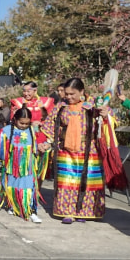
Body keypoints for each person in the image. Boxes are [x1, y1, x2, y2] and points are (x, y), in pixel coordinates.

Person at [41, 77, 111, 224]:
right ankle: (67, 212)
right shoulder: (61, 106)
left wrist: (106, 116)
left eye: (72, 94)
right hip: (66, 150)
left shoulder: (94, 105)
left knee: (88, 181)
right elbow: (49, 126)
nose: (69, 97)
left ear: (82, 92)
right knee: (67, 181)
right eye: (67, 94)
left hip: (89, 149)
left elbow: (111, 122)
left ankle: (84, 212)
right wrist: (47, 143)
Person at [0, 104, 49, 224]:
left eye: (27, 123)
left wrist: (43, 146)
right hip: (12, 166)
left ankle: (30, 210)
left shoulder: (32, 130)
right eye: (21, 123)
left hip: (28, 166)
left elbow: (40, 141)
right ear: (15, 120)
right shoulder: (7, 130)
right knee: (12, 185)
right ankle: (13, 205)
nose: (24, 126)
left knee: (28, 187)